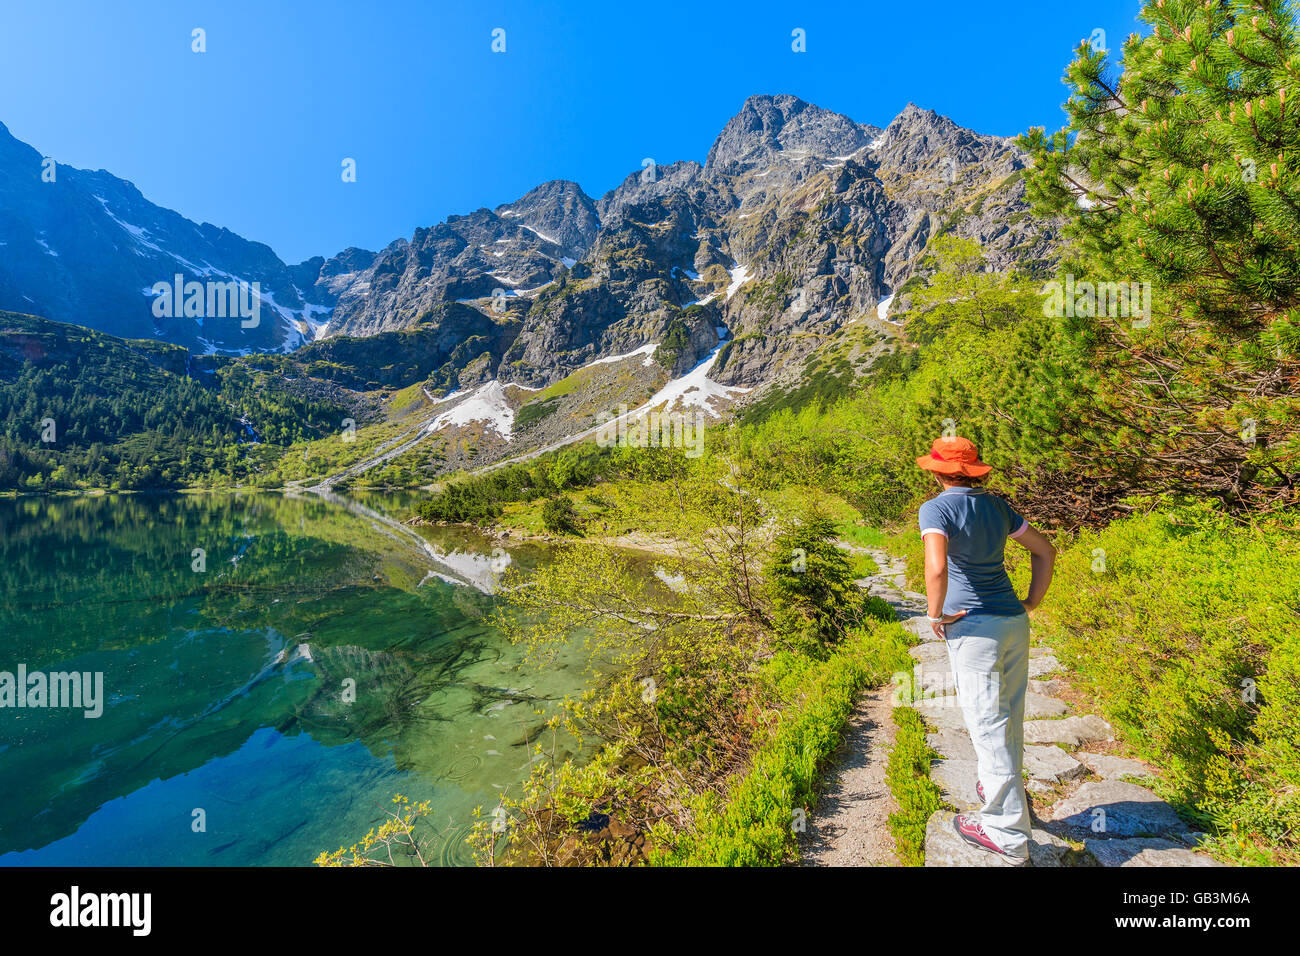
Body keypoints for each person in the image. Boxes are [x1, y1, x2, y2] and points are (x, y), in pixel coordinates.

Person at [915, 435, 1056, 864]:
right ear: (974, 471)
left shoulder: (936, 508)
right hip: (1012, 621)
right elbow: (1046, 551)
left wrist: (935, 615)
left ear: (937, 471)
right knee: (1008, 715)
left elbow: (937, 566)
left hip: (972, 630)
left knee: (986, 721)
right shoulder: (998, 507)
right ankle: (1001, 791)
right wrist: (1031, 602)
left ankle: (1006, 834)